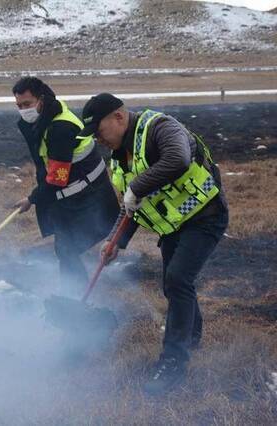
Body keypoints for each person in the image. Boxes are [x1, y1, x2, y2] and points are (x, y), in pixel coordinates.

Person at [80, 93, 228, 395]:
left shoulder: (160, 127)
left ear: (119, 117)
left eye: (99, 131)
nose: (98, 139)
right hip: (174, 226)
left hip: (205, 216)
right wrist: (115, 241)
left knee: (177, 280)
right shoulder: (119, 154)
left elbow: (178, 158)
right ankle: (192, 334)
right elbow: (131, 204)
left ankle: (173, 361)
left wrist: (137, 187)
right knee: (174, 282)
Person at [12, 77, 120, 290]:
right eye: (19, 106)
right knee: (64, 247)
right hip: (73, 195)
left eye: (27, 104)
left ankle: (75, 296)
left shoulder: (60, 128)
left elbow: (57, 178)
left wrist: (32, 199)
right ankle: (71, 291)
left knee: (67, 249)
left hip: (90, 198)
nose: (23, 110)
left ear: (41, 99)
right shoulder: (45, 118)